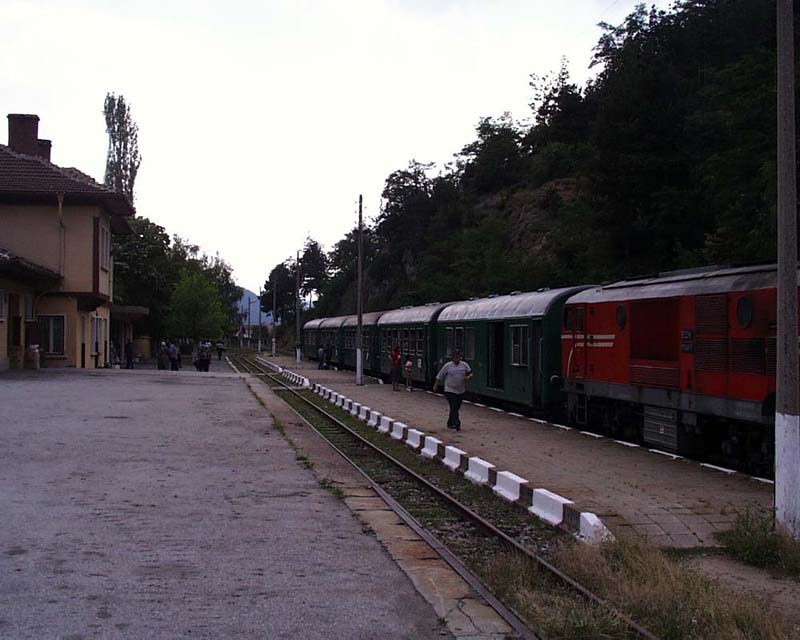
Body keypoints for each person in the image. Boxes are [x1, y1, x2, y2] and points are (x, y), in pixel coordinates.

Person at [433, 350, 473, 431]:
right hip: (449, 390)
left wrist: (469, 377)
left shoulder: (464, 365)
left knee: (456, 407)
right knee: (454, 406)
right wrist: (435, 385)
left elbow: (470, 373)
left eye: (458, 357)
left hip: (461, 390)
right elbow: (440, 376)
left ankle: (450, 422)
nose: (457, 358)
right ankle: (456, 423)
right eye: (455, 357)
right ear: (452, 358)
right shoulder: (448, 366)